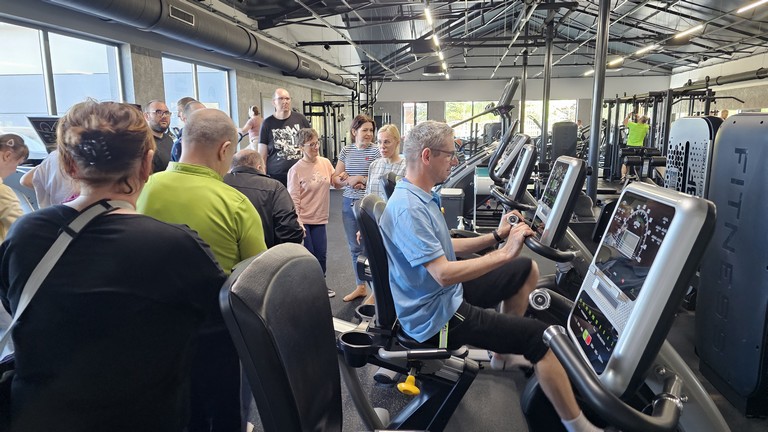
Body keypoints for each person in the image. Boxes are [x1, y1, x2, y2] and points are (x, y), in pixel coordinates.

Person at [0, 100, 226, 431]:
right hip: (143, 418)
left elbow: (16, 304)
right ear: (147, 164)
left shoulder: (25, 233)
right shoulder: (176, 247)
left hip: (38, 416)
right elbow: (217, 336)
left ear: (68, 164)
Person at [379, 120, 604, 432]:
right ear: (427, 156)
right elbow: (443, 274)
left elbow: (445, 245)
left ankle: (501, 355)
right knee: (542, 338)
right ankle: (579, 426)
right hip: (436, 319)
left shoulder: (421, 195)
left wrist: (497, 237)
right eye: (449, 155)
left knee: (524, 269)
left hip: (441, 297)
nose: (454, 161)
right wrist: (504, 252)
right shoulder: (409, 208)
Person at [137, 108, 267, 432]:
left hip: (152, 329)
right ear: (225, 150)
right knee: (226, 413)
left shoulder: (144, 188)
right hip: (217, 336)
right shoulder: (236, 204)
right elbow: (258, 283)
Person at [287, 128, 339, 298]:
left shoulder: (325, 163)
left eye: (317, 143)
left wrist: (347, 180)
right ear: (301, 147)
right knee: (309, 256)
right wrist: (298, 222)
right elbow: (294, 199)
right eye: (311, 145)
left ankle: (320, 285)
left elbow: (335, 182)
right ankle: (309, 288)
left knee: (321, 255)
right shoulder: (295, 170)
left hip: (320, 218)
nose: (316, 147)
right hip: (304, 219)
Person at [334, 114, 381, 302]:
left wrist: (361, 179)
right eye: (365, 130)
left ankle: (376, 291)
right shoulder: (346, 151)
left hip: (368, 204)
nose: (369, 134)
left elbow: (380, 178)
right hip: (349, 203)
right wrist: (346, 180)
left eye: (371, 130)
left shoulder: (377, 151)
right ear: (354, 132)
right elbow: (335, 180)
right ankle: (360, 286)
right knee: (354, 247)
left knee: (370, 247)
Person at [224, 148, 303, 248]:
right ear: (260, 167)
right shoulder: (275, 187)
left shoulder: (220, 183)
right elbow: (290, 230)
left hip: (226, 253)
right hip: (267, 253)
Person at [257, 88, 310, 186]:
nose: (285, 102)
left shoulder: (300, 119)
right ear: (274, 102)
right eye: (281, 99)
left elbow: (312, 143)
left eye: (287, 99)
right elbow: (262, 155)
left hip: (300, 174)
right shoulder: (267, 123)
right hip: (276, 176)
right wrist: (262, 177)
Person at [0, 134, 29, 242]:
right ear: (7, 156)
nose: (14, 170)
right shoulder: (3, 192)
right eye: (18, 163)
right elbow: (20, 230)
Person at [365, 124, 405, 201]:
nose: (382, 146)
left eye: (386, 142)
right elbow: (368, 193)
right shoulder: (374, 165)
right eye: (379, 142)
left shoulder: (405, 167)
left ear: (397, 143)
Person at [144, 99, 175, 173]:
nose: (164, 116)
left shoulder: (169, 140)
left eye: (167, 113)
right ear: (147, 116)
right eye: (158, 112)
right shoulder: (142, 142)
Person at [621, 112, 650, 180]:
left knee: (625, 162)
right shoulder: (646, 127)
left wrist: (628, 116)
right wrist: (639, 118)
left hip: (630, 146)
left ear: (640, 120)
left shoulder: (633, 125)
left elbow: (624, 122)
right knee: (637, 162)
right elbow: (643, 122)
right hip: (639, 147)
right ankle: (637, 177)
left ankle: (623, 177)